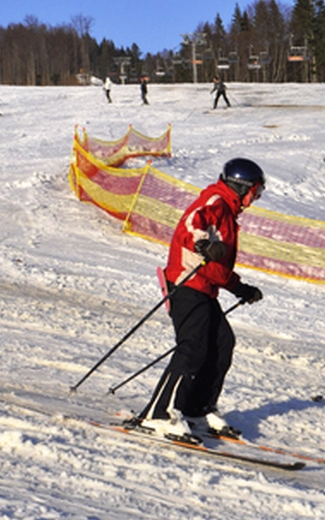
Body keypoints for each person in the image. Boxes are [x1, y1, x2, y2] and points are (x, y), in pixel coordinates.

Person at [132, 158, 267, 444]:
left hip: (204, 287)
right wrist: (202, 243)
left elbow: (216, 267)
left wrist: (240, 288)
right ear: (241, 187)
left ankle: (196, 409)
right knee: (192, 347)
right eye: (255, 192)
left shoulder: (229, 213)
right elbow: (192, 223)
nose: (254, 199)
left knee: (221, 344)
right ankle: (159, 414)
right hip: (186, 283)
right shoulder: (216, 200)